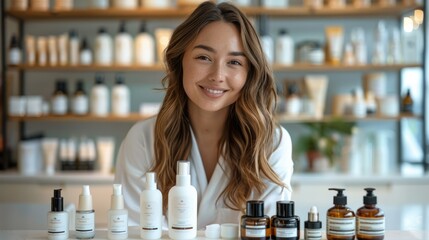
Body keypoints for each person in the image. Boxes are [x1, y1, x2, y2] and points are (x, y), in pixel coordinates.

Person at [114, 1, 293, 229]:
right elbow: (136, 231)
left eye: (234, 62)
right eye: (204, 57)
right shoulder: (142, 139)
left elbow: (267, 231)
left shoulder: (272, 144)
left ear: (250, 74)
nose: (217, 75)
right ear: (180, 61)